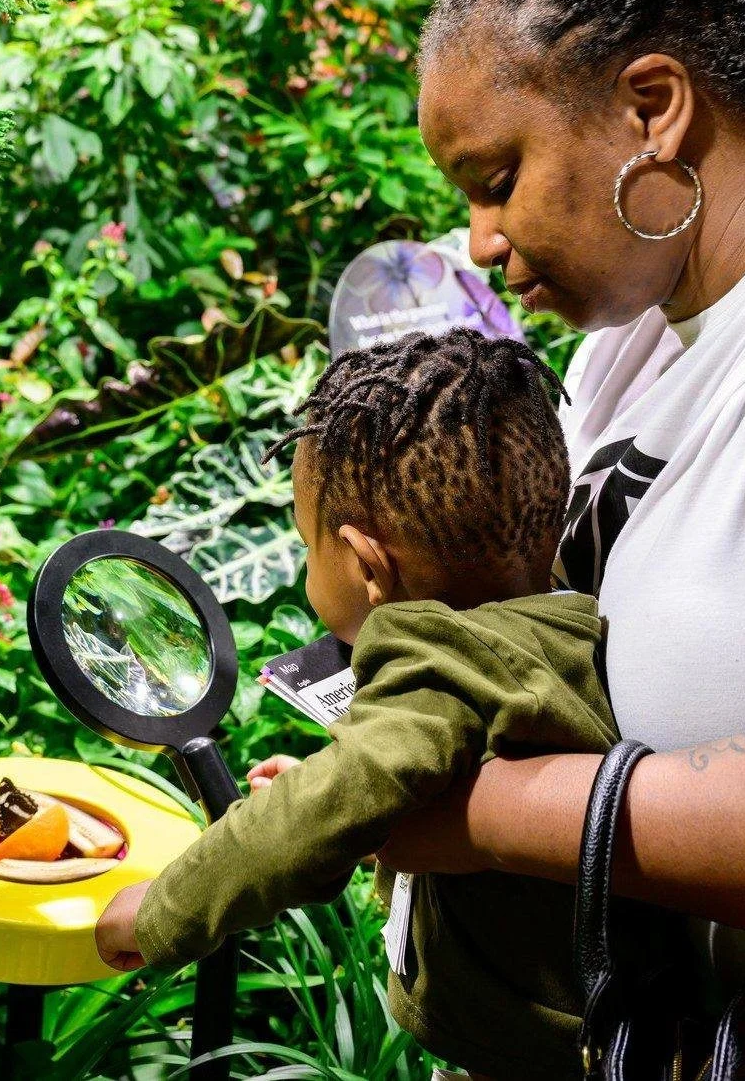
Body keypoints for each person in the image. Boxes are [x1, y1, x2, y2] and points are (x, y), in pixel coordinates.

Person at [369, 0, 745, 1000]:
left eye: (499, 177)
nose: (480, 241)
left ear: (652, 107)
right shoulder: (629, 348)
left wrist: (471, 815)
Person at [97, 327, 621, 1081]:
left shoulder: (441, 665)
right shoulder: (562, 627)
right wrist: (350, 790)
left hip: (523, 1056)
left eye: (308, 544)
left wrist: (157, 913)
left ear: (368, 566)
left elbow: (322, 809)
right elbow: (414, 774)